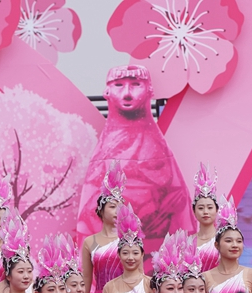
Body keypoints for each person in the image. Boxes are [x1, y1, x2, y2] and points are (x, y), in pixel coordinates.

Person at [76, 65, 195, 252]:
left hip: (156, 249)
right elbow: (88, 211)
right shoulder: (104, 152)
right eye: (118, 85)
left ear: (149, 90)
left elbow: (179, 205)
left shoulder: (159, 149)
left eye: (135, 84)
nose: (127, 94)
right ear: (107, 92)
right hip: (112, 251)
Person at [81, 160, 124, 293]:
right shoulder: (90, 242)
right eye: (112, 206)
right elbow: (86, 278)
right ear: (101, 210)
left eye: (120, 206)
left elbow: (139, 274)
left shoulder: (127, 240)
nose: (117, 210)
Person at [190, 163, 220, 271]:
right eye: (201, 208)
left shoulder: (223, 239)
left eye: (210, 207)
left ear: (216, 210)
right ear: (194, 211)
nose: (205, 212)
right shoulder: (188, 241)